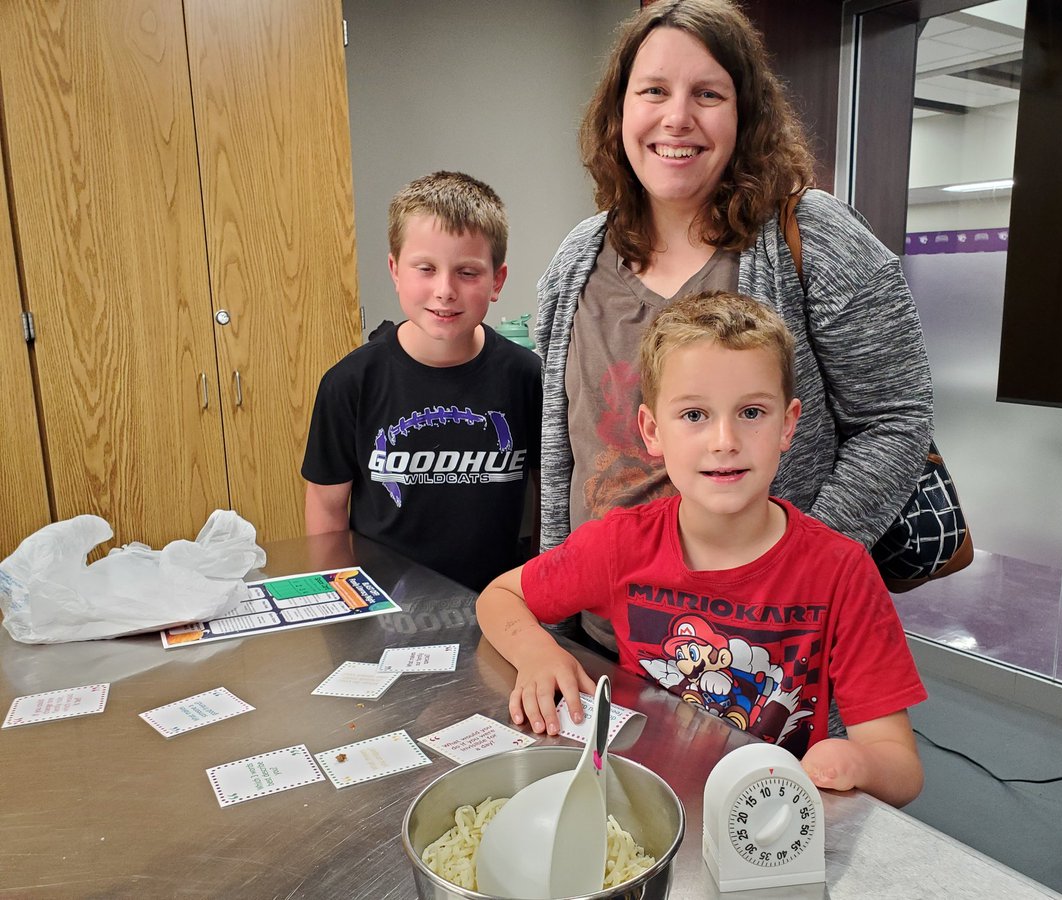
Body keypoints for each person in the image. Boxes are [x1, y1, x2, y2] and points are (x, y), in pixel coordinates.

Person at [536, 0, 934, 655]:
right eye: (653, 91)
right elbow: (564, 451)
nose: (677, 117)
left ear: (745, 113)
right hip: (601, 643)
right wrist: (551, 627)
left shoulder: (815, 239)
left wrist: (795, 576)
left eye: (708, 94)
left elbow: (895, 419)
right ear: (619, 111)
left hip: (760, 653)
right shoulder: (576, 259)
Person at [478, 291, 926, 807]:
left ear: (787, 425)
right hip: (644, 807)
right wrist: (536, 652)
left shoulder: (842, 572)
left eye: (751, 412)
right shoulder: (621, 543)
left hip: (769, 819)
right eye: (694, 415)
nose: (724, 440)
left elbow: (901, 768)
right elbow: (499, 597)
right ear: (652, 431)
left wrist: (857, 762)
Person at [302, 171, 541, 592]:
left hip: (499, 603)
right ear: (395, 270)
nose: (445, 290)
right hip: (384, 607)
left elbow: (549, 499)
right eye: (426, 269)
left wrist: (538, 592)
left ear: (497, 280)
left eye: (467, 272)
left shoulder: (528, 378)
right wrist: (342, 601)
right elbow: (326, 507)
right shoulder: (349, 384)